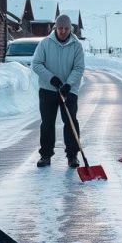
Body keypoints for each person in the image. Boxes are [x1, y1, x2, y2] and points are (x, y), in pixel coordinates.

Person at [31, 14, 85, 168]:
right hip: (48, 90)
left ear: (70, 29)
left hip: (69, 90)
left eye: (66, 28)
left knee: (70, 122)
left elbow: (79, 67)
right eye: (60, 28)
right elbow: (36, 64)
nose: (63, 31)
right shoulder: (45, 43)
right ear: (55, 28)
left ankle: (72, 155)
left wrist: (68, 84)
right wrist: (51, 78)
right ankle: (46, 155)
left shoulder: (76, 45)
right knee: (47, 123)